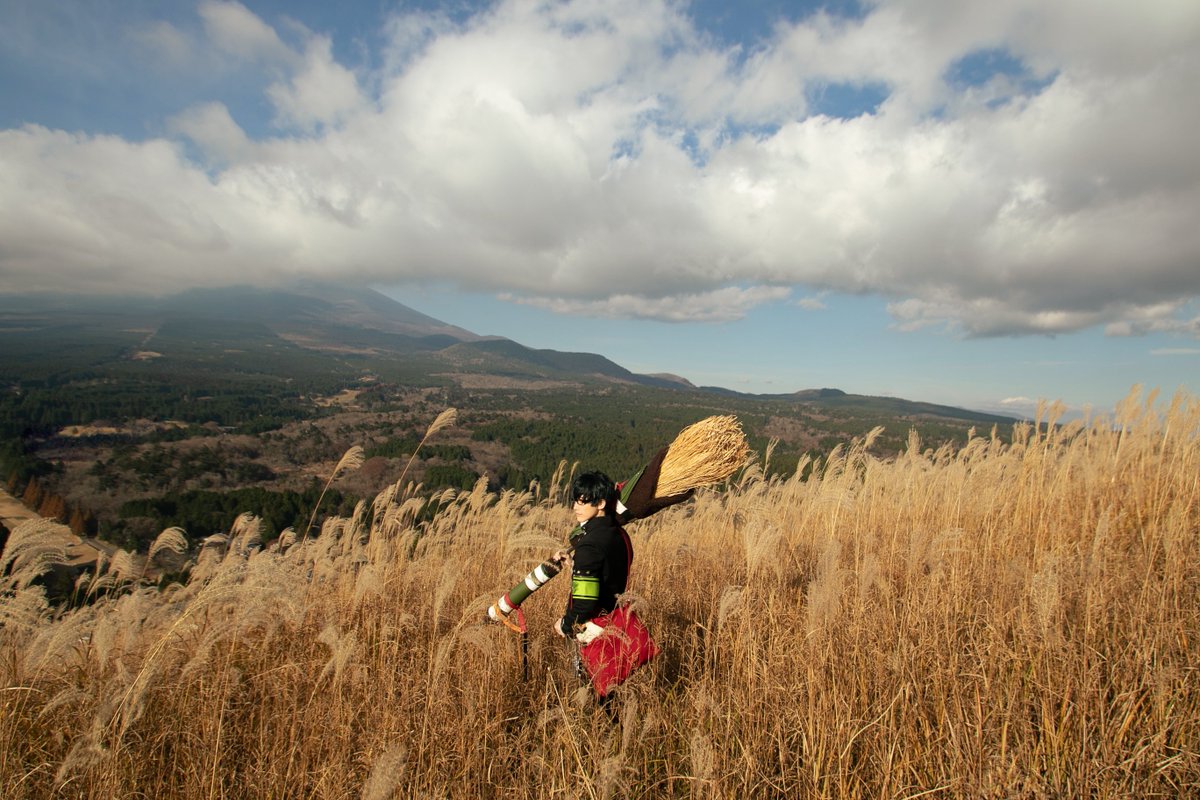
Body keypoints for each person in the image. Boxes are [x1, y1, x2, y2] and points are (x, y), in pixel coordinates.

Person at [551, 471, 632, 672]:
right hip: (616, 625)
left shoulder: (589, 545)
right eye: (575, 501)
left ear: (601, 503)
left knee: (586, 693)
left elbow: (584, 604)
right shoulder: (620, 535)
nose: (575, 507)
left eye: (582, 502)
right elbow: (605, 573)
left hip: (590, 632)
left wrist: (565, 624)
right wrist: (575, 565)